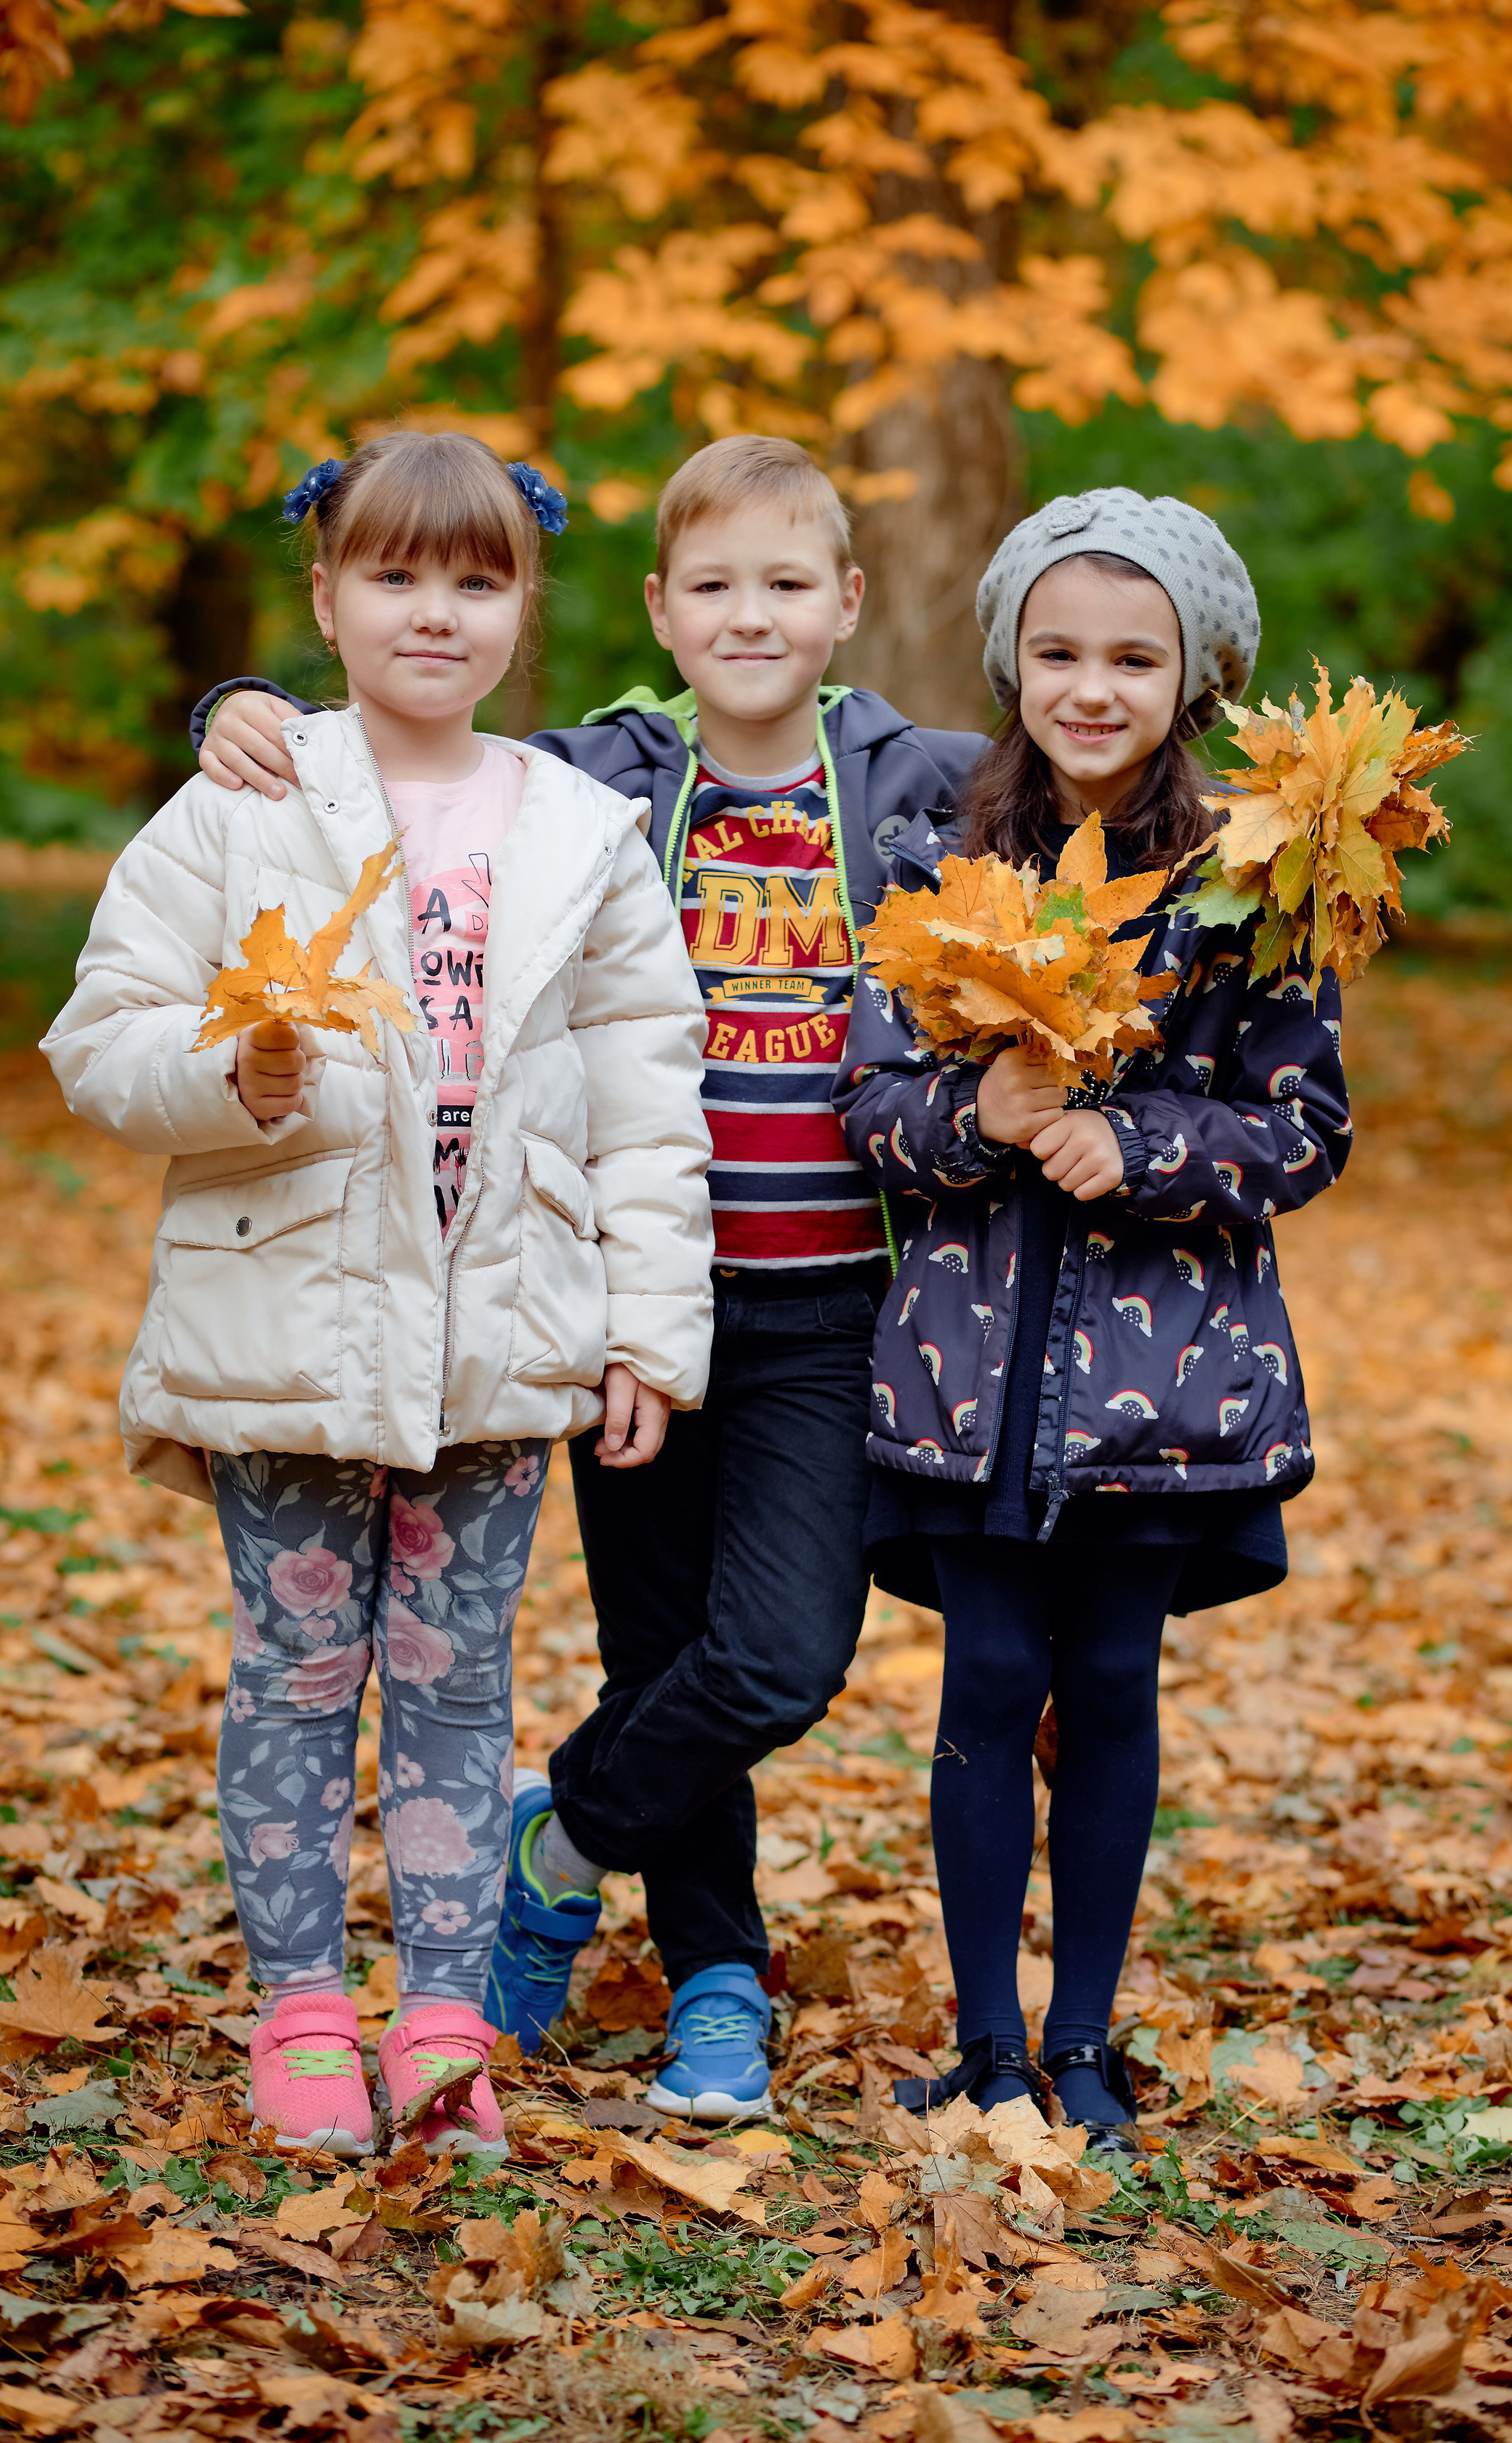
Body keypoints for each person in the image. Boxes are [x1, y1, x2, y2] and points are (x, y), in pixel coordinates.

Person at [184, 436, 989, 2119]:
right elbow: (407, 744)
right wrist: (234, 709)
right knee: (655, 1649)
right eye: (713, 585)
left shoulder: (920, 786)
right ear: (655, 607)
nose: (750, 616)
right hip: (620, 1297)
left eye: (787, 584)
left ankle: (564, 1835)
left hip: (832, 1298)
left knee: (772, 1659)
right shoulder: (597, 776)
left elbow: (1087, 790)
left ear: (846, 601)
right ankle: (714, 1984)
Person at [44, 430, 713, 2161]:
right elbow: (102, 1037)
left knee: (455, 1680)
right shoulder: (244, 798)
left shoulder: (582, 828)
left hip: (497, 1334)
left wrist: (651, 1322)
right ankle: (299, 2011)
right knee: (291, 1672)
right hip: (295, 1316)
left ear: (524, 608)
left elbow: (649, 1094)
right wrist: (239, 1078)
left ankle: (441, 2016)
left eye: (476, 581)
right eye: (396, 576)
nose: (437, 613)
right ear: (326, 596)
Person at [837, 488, 1352, 2151]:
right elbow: (872, 1103)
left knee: (1112, 1678)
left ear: (1191, 678)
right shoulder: (941, 852)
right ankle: (985, 2041)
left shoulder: (1257, 880)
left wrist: (1138, 1147)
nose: (1092, 686)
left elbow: (1301, 1128)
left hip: (1165, 1369)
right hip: (968, 1363)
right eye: (1057, 651)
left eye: (1133, 657)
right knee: (986, 1674)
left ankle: (1082, 2042)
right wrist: (972, 1115)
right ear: (1010, 660)